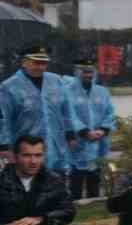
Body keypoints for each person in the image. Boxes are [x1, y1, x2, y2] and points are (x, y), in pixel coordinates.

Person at [0, 45, 83, 173]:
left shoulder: (56, 81)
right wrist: (4, 146)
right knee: (29, 188)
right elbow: (4, 119)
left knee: (56, 186)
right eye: (36, 63)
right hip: (26, 149)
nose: (40, 67)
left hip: (56, 146)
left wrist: (70, 133)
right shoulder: (9, 87)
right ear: (24, 62)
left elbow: (67, 110)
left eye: (44, 63)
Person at [64, 58, 117, 200]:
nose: (88, 75)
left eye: (90, 72)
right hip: (78, 142)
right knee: (76, 177)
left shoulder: (102, 92)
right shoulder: (67, 92)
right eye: (84, 72)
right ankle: (75, 204)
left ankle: (94, 201)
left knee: (95, 174)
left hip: (99, 142)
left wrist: (103, 130)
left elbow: (110, 112)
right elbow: (68, 115)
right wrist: (84, 132)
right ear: (77, 73)